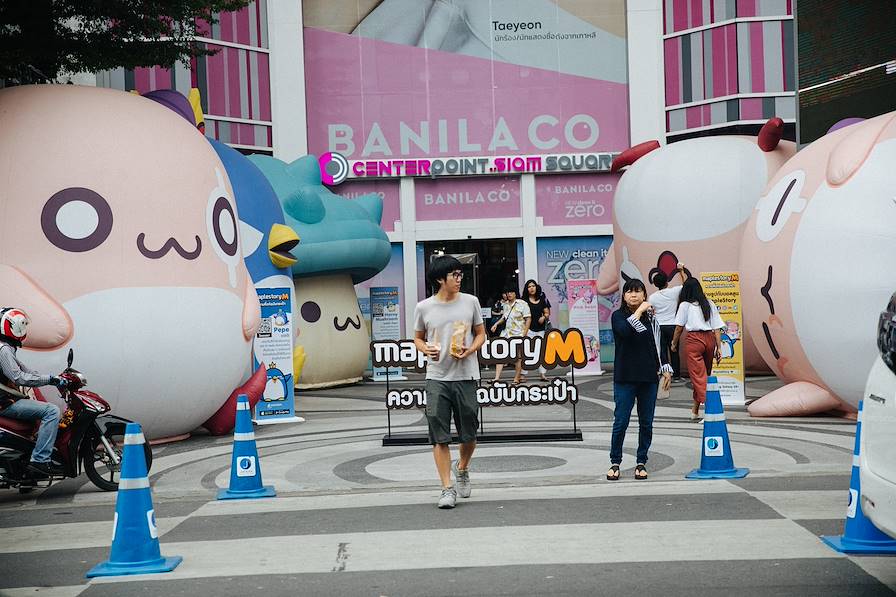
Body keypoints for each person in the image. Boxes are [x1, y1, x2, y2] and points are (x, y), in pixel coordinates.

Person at [414, 256, 487, 509]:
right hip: (436, 377)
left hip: (466, 375)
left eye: (460, 274)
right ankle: (447, 488)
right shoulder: (424, 307)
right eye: (454, 275)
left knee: (470, 435)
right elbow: (418, 338)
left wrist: (470, 350)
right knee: (439, 435)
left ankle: (463, 467)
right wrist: (426, 350)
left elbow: (481, 334)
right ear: (439, 279)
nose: (459, 279)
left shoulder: (471, 302)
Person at [607, 280, 672, 481]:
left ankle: (641, 461)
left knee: (646, 423)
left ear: (644, 294)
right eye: (629, 292)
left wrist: (665, 368)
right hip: (625, 377)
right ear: (624, 296)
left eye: (638, 291)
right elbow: (626, 331)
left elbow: (659, 344)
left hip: (648, 378)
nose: (633, 295)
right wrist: (639, 312)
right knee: (621, 422)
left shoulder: (652, 318)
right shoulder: (618, 316)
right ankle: (615, 462)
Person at [0, 308, 68, 477]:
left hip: (6, 400)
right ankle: (39, 460)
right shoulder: (4, 350)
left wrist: (53, 378)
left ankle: (28, 467)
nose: (24, 329)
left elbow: (25, 369)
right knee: (51, 411)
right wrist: (50, 380)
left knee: (40, 411)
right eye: (22, 324)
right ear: (13, 327)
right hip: (5, 403)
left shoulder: (7, 348)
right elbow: (18, 377)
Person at [671, 278, 725, 420]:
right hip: (710, 339)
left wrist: (674, 343)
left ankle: (711, 409)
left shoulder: (685, 305)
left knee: (698, 377)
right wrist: (719, 348)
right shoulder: (709, 303)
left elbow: (678, 328)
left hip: (694, 340)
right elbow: (717, 327)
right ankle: (695, 410)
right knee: (702, 376)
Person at [648, 263, 689, 383]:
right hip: (672, 325)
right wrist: (681, 271)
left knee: (662, 351)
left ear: (655, 284)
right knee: (674, 350)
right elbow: (685, 284)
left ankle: (665, 373)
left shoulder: (652, 297)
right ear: (667, 282)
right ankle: (676, 376)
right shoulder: (674, 292)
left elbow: (650, 311)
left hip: (659, 326)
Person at [489, 284, 530, 386]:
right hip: (506, 334)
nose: (509, 294)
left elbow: (528, 318)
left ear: (515, 293)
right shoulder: (506, 305)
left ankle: (517, 378)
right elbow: (504, 317)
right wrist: (496, 324)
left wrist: (524, 333)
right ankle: (496, 378)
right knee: (500, 355)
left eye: (511, 292)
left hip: (518, 334)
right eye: (508, 292)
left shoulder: (522, 304)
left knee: (518, 357)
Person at [523, 279, 551, 381]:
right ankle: (523, 374)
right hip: (528, 329)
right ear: (527, 289)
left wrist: (544, 317)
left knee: (541, 352)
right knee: (526, 352)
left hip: (540, 330)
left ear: (536, 287)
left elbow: (547, 313)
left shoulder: (542, 299)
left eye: (533, 286)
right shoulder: (524, 301)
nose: (531, 288)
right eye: (529, 286)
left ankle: (542, 374)